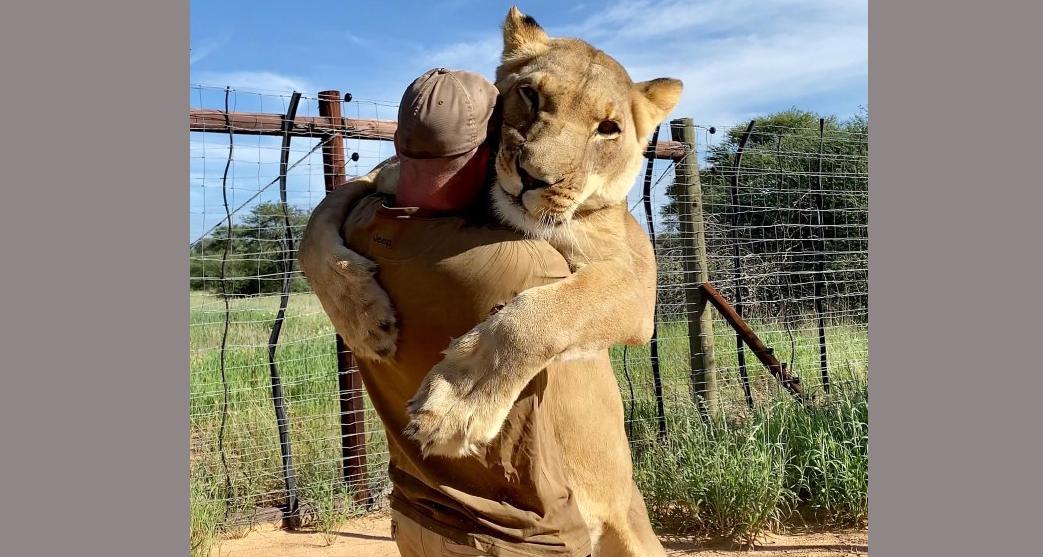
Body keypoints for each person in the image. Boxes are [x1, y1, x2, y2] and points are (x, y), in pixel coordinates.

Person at [300, 68, 592, 557]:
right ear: (494, 147)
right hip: (513, 536)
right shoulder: (524, 263)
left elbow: (361, 190)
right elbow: (634, 317)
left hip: (416, 515)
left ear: (399, 142)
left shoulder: (355, 232)